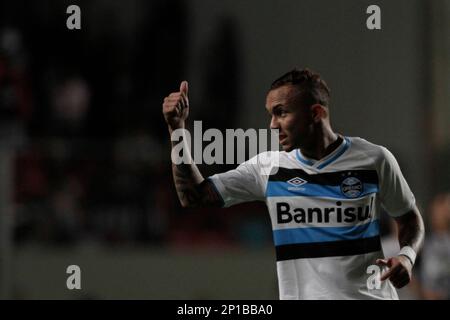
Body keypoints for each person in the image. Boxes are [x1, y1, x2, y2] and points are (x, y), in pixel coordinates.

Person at [162, 68, 425, 300]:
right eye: (270, 115)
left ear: (316, 113)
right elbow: (193, 196)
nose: (272, 125)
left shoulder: (374, 159)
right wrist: (177, 129)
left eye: (281, 113)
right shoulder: (268, 169)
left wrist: (406, 256)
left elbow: (409, 218)